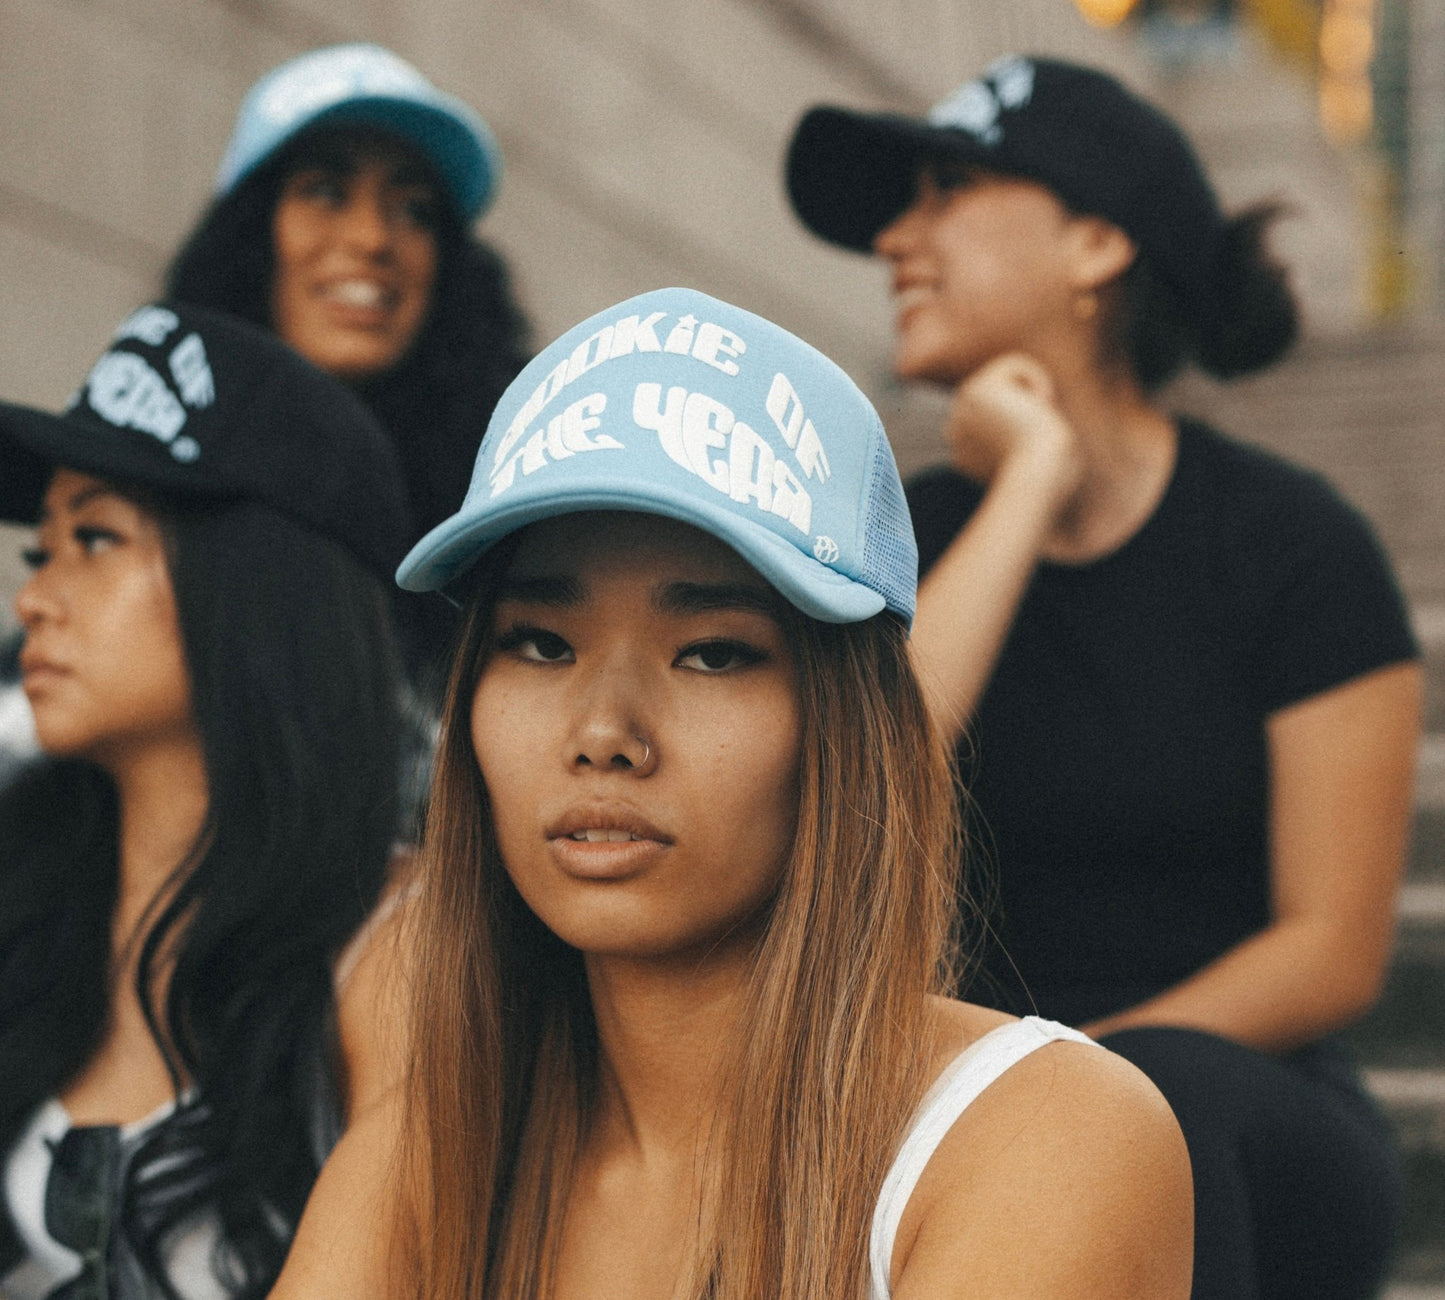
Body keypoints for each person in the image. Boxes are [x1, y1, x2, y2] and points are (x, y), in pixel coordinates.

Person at [269, 287, 1193, 1299]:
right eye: (540, 643)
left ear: (846, 734)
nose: (602, 734)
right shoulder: (431, 1146)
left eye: (711, 653)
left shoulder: (1040, 1132)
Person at [786, 55, 1423, 1299]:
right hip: (941, 1091)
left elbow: (1332, 950)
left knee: (1155, 1112)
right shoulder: (889, 537)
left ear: (1091, 245)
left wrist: (1060, 1080)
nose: (896, 239)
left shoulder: (1292, 545)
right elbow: (851, 800)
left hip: (1241, 1100)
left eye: (946, 189)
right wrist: (1022, 488)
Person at [0, 303, 415, 1298]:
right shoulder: (39, 878)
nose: (33, 599)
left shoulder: (399, 942)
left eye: (93, 537)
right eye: (39, 549)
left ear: (258, 586)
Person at [164, 41, 531, 704]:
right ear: (250, 234)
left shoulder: (497, 519)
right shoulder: (144, 474)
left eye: (414, 209)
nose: (372, 238)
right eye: (325, 191)